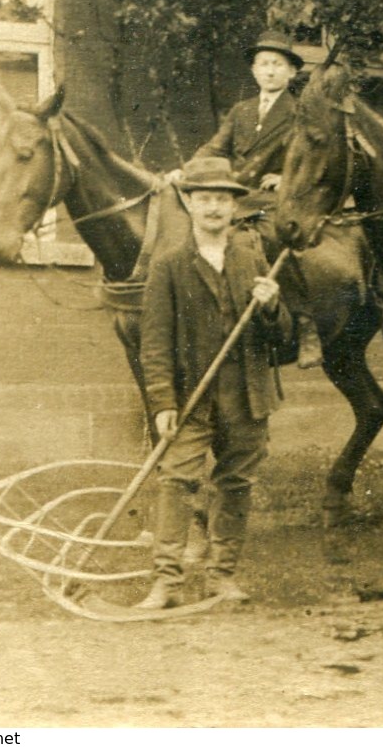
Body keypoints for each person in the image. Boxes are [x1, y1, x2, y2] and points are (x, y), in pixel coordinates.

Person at [135, 157, 295, 609]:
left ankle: (221, 577)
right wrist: (163, 401)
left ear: (233, 207)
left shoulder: (253, 259)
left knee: (236, 483)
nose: (213, 208)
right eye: (204, 198)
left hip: (247, 396)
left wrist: (271, 306)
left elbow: (282, 338)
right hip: (193, 398)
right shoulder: (168, 264)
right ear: (187, 203)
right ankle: (167, 582)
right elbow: (155, 342)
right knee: (177, 480)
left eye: (222, 199)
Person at [176, 29, 321, 367]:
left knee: (274, 237)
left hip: (275, 199)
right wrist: (186, 172)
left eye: (277, 64)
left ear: (291, 72)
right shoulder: (241, 111)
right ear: (254, 71)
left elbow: (311, 159)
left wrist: (286, 178)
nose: (270, 71)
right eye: (263, 64)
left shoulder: (300, 112)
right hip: (235, 195)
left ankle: (304, 321)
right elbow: (215, 147)